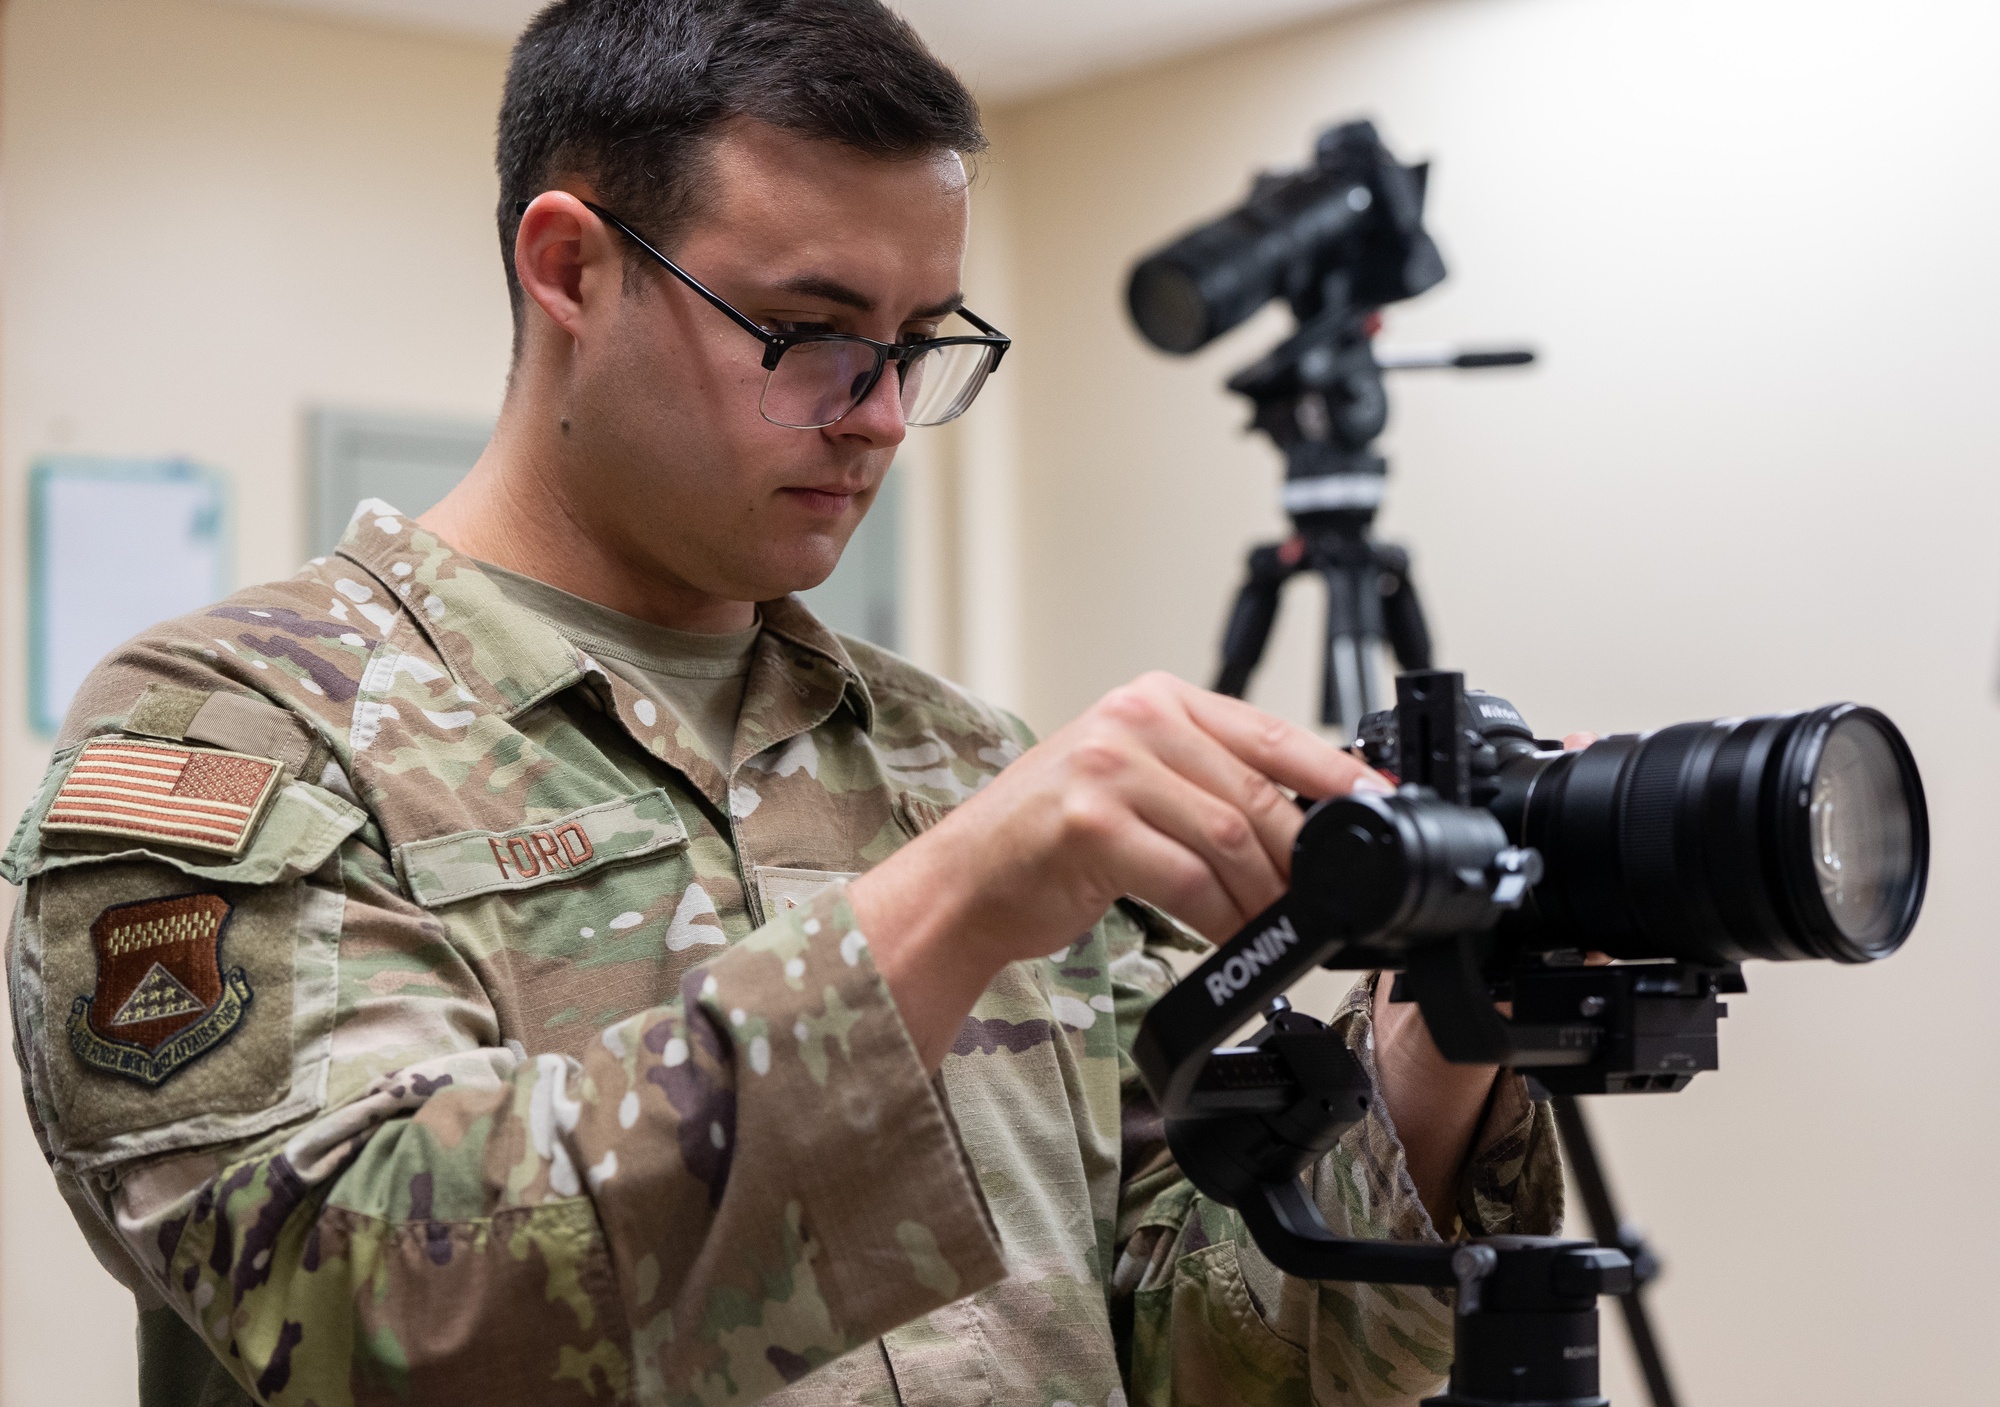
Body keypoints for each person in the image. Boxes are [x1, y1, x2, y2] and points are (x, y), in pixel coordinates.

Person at [2, 2, 1561, 1403]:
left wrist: (1440, 1033)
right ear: (572, 268)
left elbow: (1209, 1348)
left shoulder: (956, 759)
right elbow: (369, 1314)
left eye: (921, 344)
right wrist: (947, 906)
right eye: (810, 334)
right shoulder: (233, 733)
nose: (880, 416)